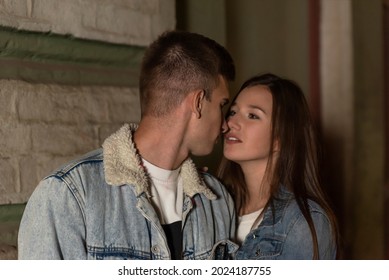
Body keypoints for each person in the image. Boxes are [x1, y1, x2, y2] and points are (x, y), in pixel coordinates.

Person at [18, 30, 237, 260]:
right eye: (222, 105)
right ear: (198, 102)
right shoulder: (68, 196)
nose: (225, 125)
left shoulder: (216, 201)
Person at [217, 73, 339, 259]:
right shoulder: (213, 206)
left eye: (252, 115)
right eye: (232, 112)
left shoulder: (301, 222)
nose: (230, 123)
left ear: (281, 138)